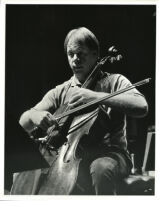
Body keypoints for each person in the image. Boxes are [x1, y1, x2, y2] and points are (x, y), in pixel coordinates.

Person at [11, 27, 148, 195]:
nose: (75, 59)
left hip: (111, 153)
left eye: (81, 54)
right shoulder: (62, 90)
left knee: (101, 169)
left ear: (95, 54)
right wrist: (35, 116)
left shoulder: (114, 81)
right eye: (71, 54)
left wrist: (96, 96)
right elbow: (23, 122)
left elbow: (141, 106)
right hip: (69, 156)